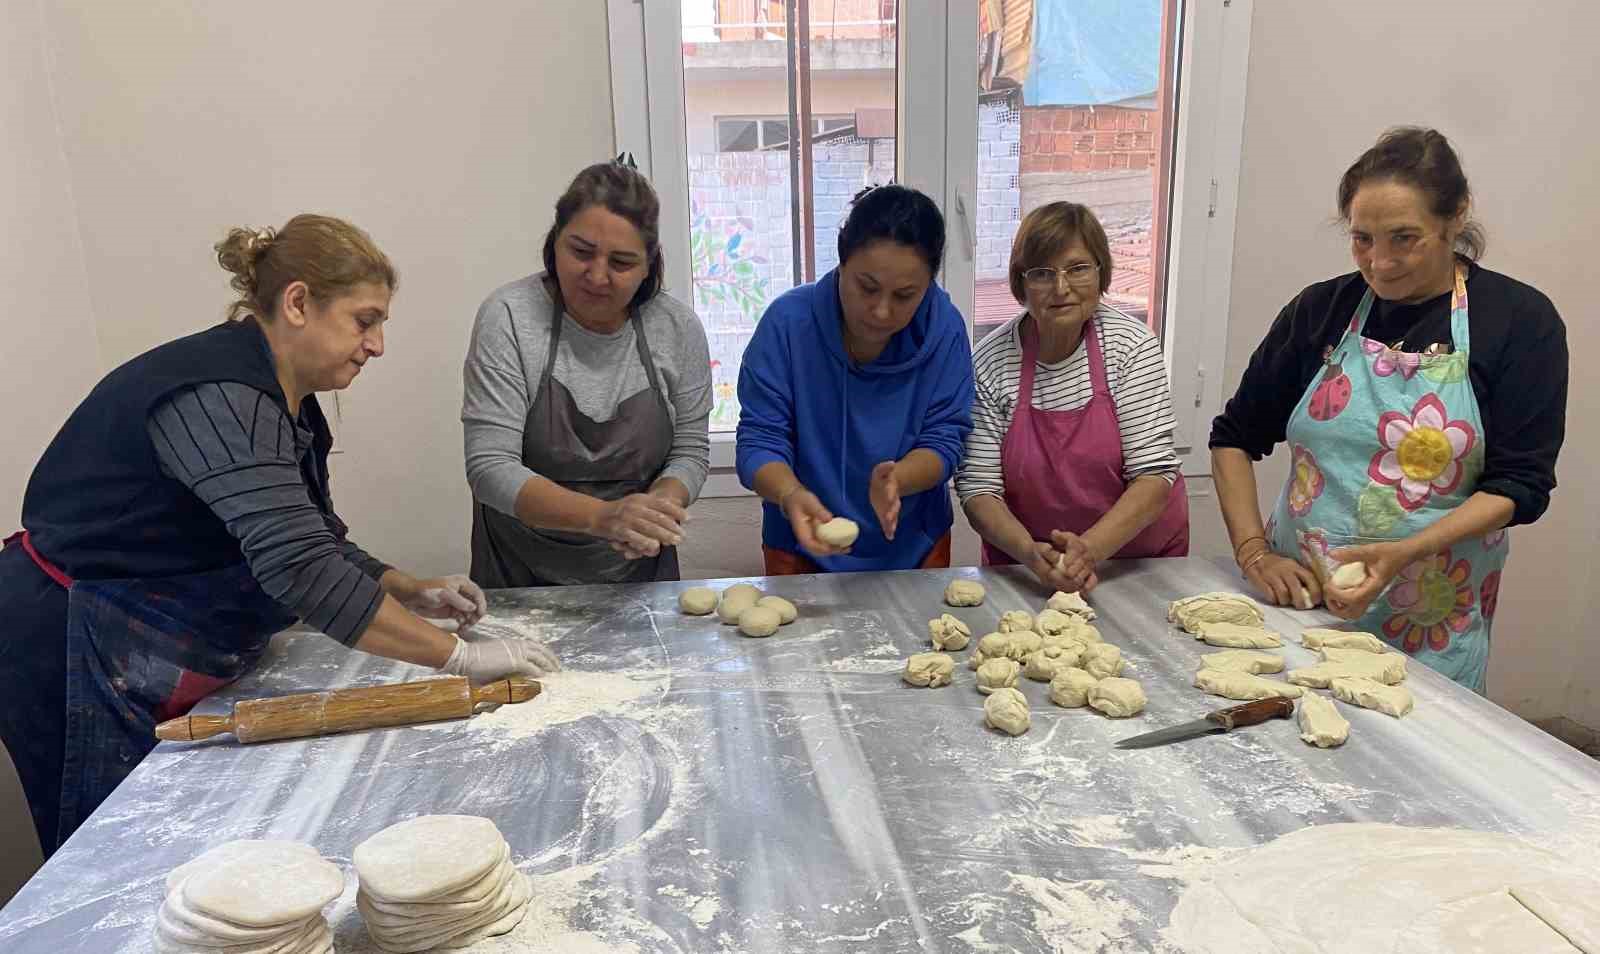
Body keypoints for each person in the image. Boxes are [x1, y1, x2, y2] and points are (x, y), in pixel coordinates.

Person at [0, 215, 558, 855]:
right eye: (364, 320)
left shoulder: (285, 400)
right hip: (68, 638)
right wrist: (455, 657)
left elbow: (309, 532)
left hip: (139, 638)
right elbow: (298, 568)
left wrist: (406, 589)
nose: (377, 345)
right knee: (112, 856)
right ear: (298, 303)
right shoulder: (218, 396)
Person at [1210, 127, 1568, 692]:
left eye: (1404, 238)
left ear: (1455, 218)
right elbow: (1233, 437)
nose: (1380, 263)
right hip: (1300, 606)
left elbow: (1520, 486)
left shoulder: (1519, 322)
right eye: (1362, 240)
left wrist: (1404, 553)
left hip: (1431, 622)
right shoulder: (1321, 310)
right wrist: (1255, 555)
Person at [463, 159, 711, 586]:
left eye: (621, 262)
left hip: (639, 578)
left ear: (649, 264)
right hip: (519, 580)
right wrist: (603, 516)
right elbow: (489, 466)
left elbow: (690, 450)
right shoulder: (509, 317)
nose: (597, 276)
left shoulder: (676, 328)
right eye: (580, 252)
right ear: (554, 243)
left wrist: (655, 509)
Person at [736, 184, 974, 573]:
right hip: (801, 543)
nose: (881, 311)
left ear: (929, 284)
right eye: (867, 287)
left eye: (904, 295)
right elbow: (760, 440)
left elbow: (946, 437)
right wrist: (790, 493)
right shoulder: (788, 326)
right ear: (842, 261)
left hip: (913, 545)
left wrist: (900, 478)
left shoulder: (944, 330)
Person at [957, 202, 1187, 593]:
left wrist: (1087, 552)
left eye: (1078, 269)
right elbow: (978, 488)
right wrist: (1031, 554)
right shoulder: (991, 361)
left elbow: (1152, 476)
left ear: (1101, 272)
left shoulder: (1131, 347)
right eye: (1043, 274)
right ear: (1020, 282)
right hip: (1030, 565)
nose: (1061, 288)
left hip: (1133, 563)